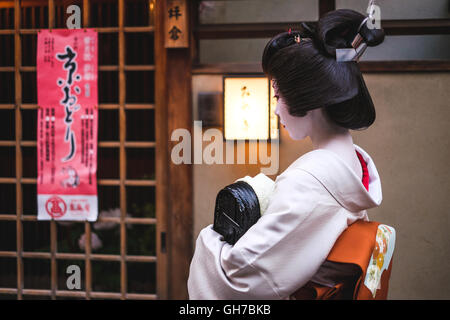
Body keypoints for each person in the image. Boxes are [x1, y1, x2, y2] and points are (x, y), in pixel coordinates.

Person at [188, 9, 385, 299]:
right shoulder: (352, 166)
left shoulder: (312, 182)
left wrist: (210, 238)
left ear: (308, 97)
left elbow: (240, 276)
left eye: (278, 96)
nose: (276, 109)